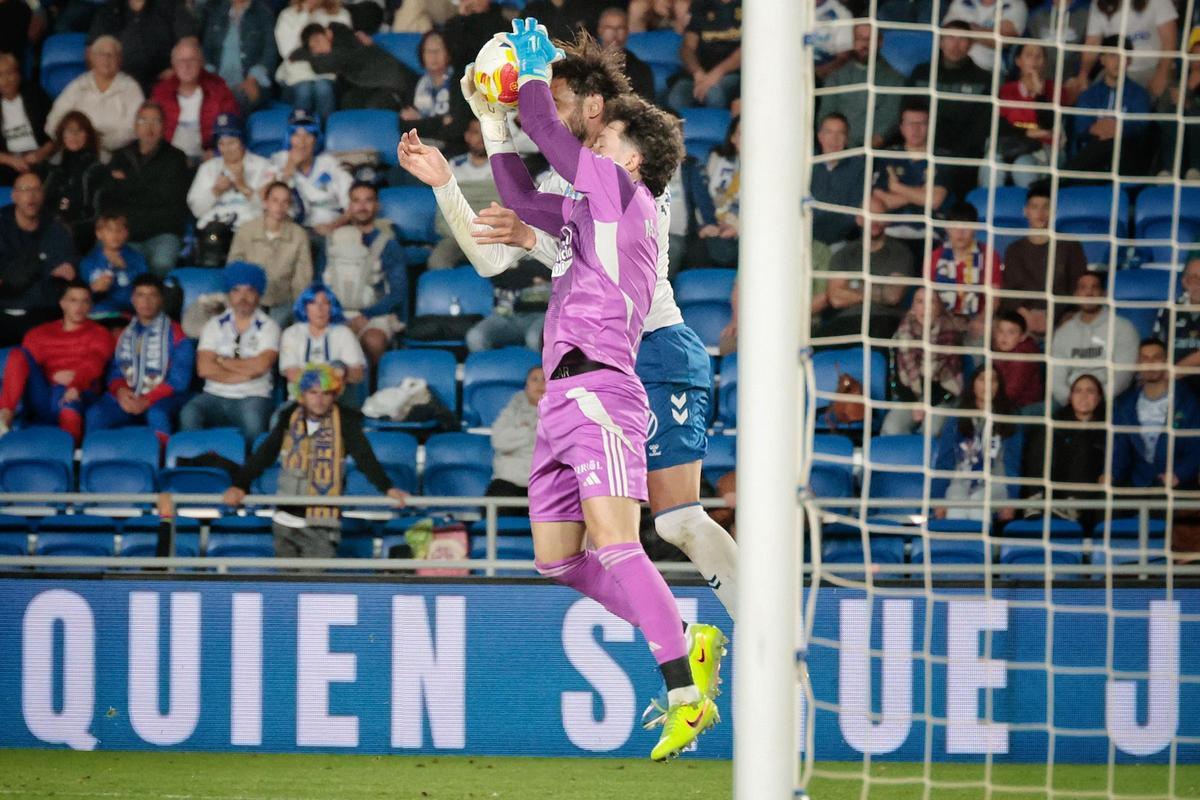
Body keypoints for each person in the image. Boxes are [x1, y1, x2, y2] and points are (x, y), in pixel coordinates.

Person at [399, 32, 740, 647]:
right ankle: (687, 638)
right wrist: (454, 175)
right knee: (573, 552)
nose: (546, 114)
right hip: (593, 368)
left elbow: (573, 228)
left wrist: (527, 77)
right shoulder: (568, 184)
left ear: (592, 109)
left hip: (652, 349)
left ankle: (762, 626)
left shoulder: (626, 177)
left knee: (680, 518)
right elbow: (499, 244)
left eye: (557, 102)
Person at [474, 18, 718, 759]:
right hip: (562, 399)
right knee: (556, 557)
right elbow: (519, 190)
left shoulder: (626, 196)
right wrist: (492, 126)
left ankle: (684, 694)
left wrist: (540, 72)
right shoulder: (588, 210)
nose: (594, 147)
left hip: (606, 389)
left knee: (615, 542)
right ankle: (682, 629)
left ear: (634, 161)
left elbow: (549, 135)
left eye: (606, 139)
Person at [224, 362, 408, 558]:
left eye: (326, 393)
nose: (319, 399)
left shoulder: (346, 421)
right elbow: (265, 453)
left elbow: (364, 457)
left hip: (322, 523)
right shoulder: (288, 417)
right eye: (313, 392)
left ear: (335, 395)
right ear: (302, 395)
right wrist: (240, 485)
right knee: (285, 586)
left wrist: (387, 488)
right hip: (284, 519)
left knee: (313, 584)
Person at [179, 261, 281, 442]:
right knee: (189, 412)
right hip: (214, 396)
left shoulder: (269, 327)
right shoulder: (213, 325)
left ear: (258, 294)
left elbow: (260, 366)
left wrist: (222, 361)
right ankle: (196, 465)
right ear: (229, 294)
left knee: (253, 421)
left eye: (249, 290)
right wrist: (244, 374)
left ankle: (248, 468)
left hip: (253, 397)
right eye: (236, 291)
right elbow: (204, 369)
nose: (243, 297)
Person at [85, 273, 194, 441]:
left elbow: (179, 381)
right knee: (96, 414)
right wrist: (120, 391)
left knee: (157, 414)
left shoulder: (178, 334)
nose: (146, 301)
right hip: (129, 396)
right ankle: (99, 463)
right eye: (141, 295)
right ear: (132, 299)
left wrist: (147, 400)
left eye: (152, 295)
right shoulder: (124, 333)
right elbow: (115, 371)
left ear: (161, 299)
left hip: (165, 398)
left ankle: (162, 463)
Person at [0, 281, 113, 440]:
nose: (79, 306)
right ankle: (5, 415)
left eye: (85, 301)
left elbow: (94, 363)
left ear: (91, 306)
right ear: (63, 304)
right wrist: (53, 377)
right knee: (18, 354)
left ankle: (68, 456)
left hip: (81, 393)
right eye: (73, 300)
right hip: (45, 395)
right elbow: (22, 367)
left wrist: (75, 385)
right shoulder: (39, 334)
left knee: (70, 405)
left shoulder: (100, 334)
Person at [322, 180, 407, 365]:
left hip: (375, 313)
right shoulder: (332, 241)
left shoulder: (388, 244)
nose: (362, 207)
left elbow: (398, 292)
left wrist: (366, 315)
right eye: (356, 201)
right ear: (349, 206)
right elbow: (321, 285)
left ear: (377, 205)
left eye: (368, 201)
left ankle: (375, 387)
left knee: (373, 340)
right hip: (337, 312)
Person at [103, 101, 190, 276]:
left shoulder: (176, 158)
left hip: (162, 232)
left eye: (156, 122)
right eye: (143, 121)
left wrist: (127, 183)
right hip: (126, 233)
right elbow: (110, 194)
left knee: (161, 263)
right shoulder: (120, 156)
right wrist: (147, 187)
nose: (149, 127)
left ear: (164, 126)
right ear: (135, 125)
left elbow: (168, 197)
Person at [907, 20, 991, 197]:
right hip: (921, 149)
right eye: (950, 38)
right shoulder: (921, 73)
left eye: (962, 39)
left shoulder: (983, 79)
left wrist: (953, 155)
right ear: (941, 41)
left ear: (971, 44)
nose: (955, 44)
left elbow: (981, 127)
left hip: (962, 157)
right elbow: (907, 113)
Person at [817, 196, 916, 340]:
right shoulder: (843, 254)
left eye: (879, 215)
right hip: (847, 320)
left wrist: (852, 285)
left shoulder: (901, 253)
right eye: (869, 215)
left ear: (887, 220)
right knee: (817, 347)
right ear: (859, 219)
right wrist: (877, 291)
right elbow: (836, 298)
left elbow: (892, 296)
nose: (874, 221)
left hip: (885, 319)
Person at [1000, 182, 1089, 338]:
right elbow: (1008, 293)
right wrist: (1025, 316)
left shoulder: (1070, 246)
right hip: (1022, 322)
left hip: (1062, 321)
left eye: (1046, 207)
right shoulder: (1014, 250)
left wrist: (1060, 317)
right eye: (1034, 207)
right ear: (1026, 211)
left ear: (1053, 211)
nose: (1040, 213)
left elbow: (1079, 286)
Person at [931, 366, 1020, 521]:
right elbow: (944, 463)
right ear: (973, 384)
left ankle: (983, 545)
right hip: (960, 482)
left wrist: (1012, 499)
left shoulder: (1009, 419)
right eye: (982, 380)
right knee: (956, 510)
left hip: (996, 484)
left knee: (978, 503)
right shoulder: (956, 420)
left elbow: (1013, 464)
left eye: (992, 380)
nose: (987, 385)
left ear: (999, 386)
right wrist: (937, 499)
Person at [1021, 373, 1108, 532]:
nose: (1083, 396)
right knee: (1042, 437)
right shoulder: (1056, 423)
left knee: (1084, 442)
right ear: (1070, 397)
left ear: (1099, 397)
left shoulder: (1108, 426)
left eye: (1090, 391)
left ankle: (1071, 505)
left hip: (1088, 490)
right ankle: (1035, 498)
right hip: (1055, 482)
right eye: (1078, 391)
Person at [1111, 338, 1200, 490]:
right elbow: (1119, 450)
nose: (1150, 363)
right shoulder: (1125, 405)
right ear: (1138, 364)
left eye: (1156, 357)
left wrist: (1179, 475)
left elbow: (1196, 448)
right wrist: (1111, 475)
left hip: (1178, 485)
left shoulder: (1187, 401)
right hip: (1139, 485)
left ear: (1166, 361)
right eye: (1145, 358)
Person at [0, 172, 78, 346]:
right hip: (4, 310)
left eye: (36, 190)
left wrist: (69, 268)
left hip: (42, 312)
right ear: (14, 196)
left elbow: (67, 267)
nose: (31, 196)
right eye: (25, 190)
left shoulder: (56, 228)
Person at [227, 180, 314, 328]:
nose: (279, 207)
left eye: (285, 202)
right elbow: (234, 268)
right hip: (248, 298)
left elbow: (302, 277)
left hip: (282, 301)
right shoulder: (246, 230)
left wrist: (296, 307)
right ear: (265, 202)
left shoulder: (299, 235)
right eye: (275, 200)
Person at [1066, 35, 1153, 179]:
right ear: (1102, 59)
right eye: (1113, 56)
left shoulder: (1139, 94)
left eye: (1123, 56)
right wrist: (1099, 129)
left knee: (1113, 143)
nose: (1118, 62)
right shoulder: (1089, 95)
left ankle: (1059, 180)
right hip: (1093, 156)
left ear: (1129, 61)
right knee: (1101, 144)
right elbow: (1081, 128)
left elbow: (1141, 127)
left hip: (1126, 158)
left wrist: (1117, 129)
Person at [1049, 270, 1139, 407]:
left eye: (1094, 287)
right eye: (1083, 288)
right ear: (1075, 295)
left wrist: (1095, 400)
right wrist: (1072, 400)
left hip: (1110, 400)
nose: (1089, 293)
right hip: (1070, 401)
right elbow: (1055, 377)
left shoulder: (1123, 327)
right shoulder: (1063, 332)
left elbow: (1123, 376)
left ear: (1104, 294)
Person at [880, 287, 963, 435]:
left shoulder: (951, 333)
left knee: (931, 431)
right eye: (919, 302)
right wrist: (915, 402)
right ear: (913, 306)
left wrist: (926, 404)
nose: (925, 308)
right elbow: (895, 379)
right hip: (909, 398)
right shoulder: (901, 333)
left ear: (939, 306)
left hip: (942, 398)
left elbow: (949, 383)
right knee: (891, 429)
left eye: (931, 302)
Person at [44, 35, 145, 157]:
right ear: (92, 57)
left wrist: (96, 142)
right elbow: (53, 121)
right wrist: (72, 139)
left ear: (119, 59)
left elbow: (134, 127)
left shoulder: (130, 87)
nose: (106, 59)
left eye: (111, 55)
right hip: (76, 150)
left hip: (118, 153)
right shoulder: (78, 85)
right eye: (101, 54)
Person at [871, 97, 949, 248]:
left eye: (921, 123)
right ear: (901, 128)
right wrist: (922, 193)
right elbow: (881, 202)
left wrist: (897, 188)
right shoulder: (888, 156)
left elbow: (934, 201)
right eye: (910, 123)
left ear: (930, 126)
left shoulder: (942, 158)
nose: (915, 129)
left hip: (930, 235)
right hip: (890, 234)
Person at [149, 39, 240, 162]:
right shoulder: (161, 92)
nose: (186, 66)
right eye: (181, 61)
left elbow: (233, 130)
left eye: (192, 60)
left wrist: (217, 152)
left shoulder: (218, 90)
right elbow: (151, 130)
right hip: (168, 160)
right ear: (173, 64)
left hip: (206, 160)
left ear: (201, 62)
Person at [291, 21, 415, 110]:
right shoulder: (342, 42)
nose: (319, 48)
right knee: (348, 102)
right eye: (313, 48)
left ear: (328, 33)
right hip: (374, 85)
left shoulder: (346, 41)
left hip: (397, 86)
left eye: (318, 41)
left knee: (375, 106)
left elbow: (322, 65)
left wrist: (303, 55)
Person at [266, 109, 353, 236]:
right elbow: (266, 200)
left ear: (316, 139)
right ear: (289, 138)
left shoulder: (330, 163)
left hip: (330, 229)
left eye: (308, 135)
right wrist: (289, 169)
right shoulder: (277, 160)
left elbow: (352, 204)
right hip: (289, 230)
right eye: (296, 134)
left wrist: (333, 227)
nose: (302, 142)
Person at [818, 24, 905, 150]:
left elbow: (889, 122)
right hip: (837, 149)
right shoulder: (836, 77)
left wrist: (863, 151)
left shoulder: (895, 79)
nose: (865, 44)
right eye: (860, 38)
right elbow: (826, 116)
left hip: (873, 152)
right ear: (853, 42)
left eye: (870, 38)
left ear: (880, 42)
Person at [427, 119, 499, 268]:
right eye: (475, 133)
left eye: (485, 133)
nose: (480, 138)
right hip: (458, 235)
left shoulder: (503, 167)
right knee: (437, 261)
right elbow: (444, 210)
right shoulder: (452, 166)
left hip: (494, 235)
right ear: (467, 136)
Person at [928, 202, 1003, 345]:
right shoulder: (935, 256)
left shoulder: (988, 255)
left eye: (966, 226)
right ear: (946, 228)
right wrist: (949, 321)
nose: (960, 232)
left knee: (982, 335)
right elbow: (931, 296)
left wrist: (980, 320)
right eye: (955, 226)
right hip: (943, 318)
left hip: (978, 319)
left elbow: (994, 297)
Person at [991, 43, 1062, 188]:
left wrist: (1040, 95)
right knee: (992, 165)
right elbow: (1000, 126)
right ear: (1018, 61)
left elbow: (1048, 125)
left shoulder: (1055, 89)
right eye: (1028, 55)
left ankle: (1031, 209)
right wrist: (1029, 132)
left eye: (1039, 56)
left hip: (1043, 149)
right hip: (1011, 144)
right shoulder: (1006, 90)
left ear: (1045, 62)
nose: (1034, 61)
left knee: (1022, 165)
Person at [187, 113, 272, 231]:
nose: (227, 149)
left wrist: (244, 187)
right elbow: (197, 210)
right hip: (215, 232)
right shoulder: (207, 169)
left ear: (242, 141)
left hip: (252, 232)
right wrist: (216, 191)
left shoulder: (263, 166)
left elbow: (272, 209)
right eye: (221, 144)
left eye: (232, 143)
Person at [278, 283, 366, 395]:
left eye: (325, 303)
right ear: (305, 307)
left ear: (332, 307)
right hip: (302, 400)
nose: (319, 309)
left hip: (337, 398)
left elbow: (358, 374)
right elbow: (292, 374)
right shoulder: (291, 334)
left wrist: (344, 370)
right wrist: (329, 378)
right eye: (313, 303)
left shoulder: (344, 333)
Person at [1078, 0, 1178, 99]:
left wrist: (1162, 74)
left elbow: (1169, 41)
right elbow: (1092, 43)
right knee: (1089, 98)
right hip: (1114, 70)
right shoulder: (1098, 3)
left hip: (1152, 69)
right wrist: (1083, 75)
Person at [88, 0, 194, 93]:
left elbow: (190, 42)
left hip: (165, 84)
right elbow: (91, 52)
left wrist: (176, 70)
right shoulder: (108, 10)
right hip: (120, 85)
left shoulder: (171, 5)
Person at [41, 111, 108, 253]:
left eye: (79, 131)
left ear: (87, 135)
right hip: (50, 228)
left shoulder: (97, 169)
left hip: (81, 234)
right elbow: (44, 203)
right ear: (62, 134)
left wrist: (71, 227)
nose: (74, 136)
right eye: (69, 131)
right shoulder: (50, 167)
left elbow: (97, 214)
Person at [274, 0, 350, 121]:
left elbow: (340, 52)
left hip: (330, 74)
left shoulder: (340, 14)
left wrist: (304, 54)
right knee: (304, 89)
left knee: (323, 88)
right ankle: (301, 133)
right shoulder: (288, 15)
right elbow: (287, 51)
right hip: (295, 76)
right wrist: (304, 14)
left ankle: (325, 135)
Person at [200, 0, 277, 114]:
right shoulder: (217, 11)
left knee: (237, 100)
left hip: (250, 80)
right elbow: (206, 49)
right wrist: (210, 78)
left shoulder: (263, 12)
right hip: (218, 80)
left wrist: (253, 78)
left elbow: (270, 50)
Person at [399, 30, 471, 153]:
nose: (433, 56)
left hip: (450, 151)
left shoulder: (460, 82)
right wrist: (441, 121)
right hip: (417, 150)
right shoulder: (414, 83)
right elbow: (405, 126)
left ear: (448, 53)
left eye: (438, 50)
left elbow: (456, 129)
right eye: (428, 51)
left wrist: (420, 120)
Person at [485, 365, 544, 512]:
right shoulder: (511, 410)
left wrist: (515, 444)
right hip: (508, 481)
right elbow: (498, 441)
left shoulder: (563, 412)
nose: (540, 384)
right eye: (534, 379)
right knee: (494, 504)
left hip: (544, 482)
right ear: (526, 386)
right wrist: (531, 433)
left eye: (545, 379)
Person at [668, 0, 740, 110]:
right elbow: (687, 47)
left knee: (713, 94)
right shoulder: (700, 4)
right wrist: (697, 73)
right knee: (676, 98)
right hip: (699, 74)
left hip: (732, 73)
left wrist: (716, 74)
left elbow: (748, 49)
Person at [809, 112, 864, 248]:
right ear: (820, 136)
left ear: (847, 138)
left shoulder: (858, 166)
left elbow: (854, 211)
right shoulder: (806, 163)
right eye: (829, 132)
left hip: (842, 242)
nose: (834, 139)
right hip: (805, 240)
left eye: (840, 133)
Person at [82, 209, 148, 318]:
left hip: (132, 311)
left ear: (127, 233)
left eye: (120, 230)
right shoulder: (89, 261)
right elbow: (80, 294)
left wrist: (125, 268)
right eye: (109, 230)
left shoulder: (136, 258)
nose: (115, 234)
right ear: (99, 234)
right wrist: (93, 289)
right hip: (101, 311)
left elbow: (145, 286)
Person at [0, 53, 53, 186]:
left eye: (10, 72)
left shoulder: (35, 94)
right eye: (1, 75)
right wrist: (11, 160)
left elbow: (57, 132)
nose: (7, 79)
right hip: (7, 164)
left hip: (39, 159)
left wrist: (41, 153)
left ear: (18, 74)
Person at [1154, 254, 1200, 398]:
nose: (1198, 282)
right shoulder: (1169, 310)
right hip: (1172, 385)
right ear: (1184, 282)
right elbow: (1156, 348)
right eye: (1193, 277)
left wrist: (1172, 373)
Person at [699, 113, 741, 263]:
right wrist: (709, 224)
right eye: (742, 134)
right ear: (733, 138)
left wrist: (737, 227)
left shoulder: (769, 171)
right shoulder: (717, 159)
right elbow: (701, 195)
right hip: (713, 223)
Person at [942, 0, 1028, 72]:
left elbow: (1001, 40)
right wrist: (984, 33)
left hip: (991, 71)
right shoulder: (961, 1)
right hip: (954, 65)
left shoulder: (1015, 4)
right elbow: (947, 33)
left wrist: (966, 29)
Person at [596, 6, 654, 102]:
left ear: (627, 31)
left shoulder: (641, 69)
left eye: (620, 28)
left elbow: (645, 106)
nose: (615, 33)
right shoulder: (586, 64)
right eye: (609, 28)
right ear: (600, 30)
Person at [992, 309, 1043, 411]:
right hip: (1006, 402)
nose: (1004, 337)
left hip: (1024, 407)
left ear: (1022, 337)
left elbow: (1011, 392)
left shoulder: (1022, 357)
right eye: (1001, 331)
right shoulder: (999, 350)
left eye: (1011, 332)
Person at [440, 0, 509, 73]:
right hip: (463, 76)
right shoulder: (453, 25)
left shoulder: (502, 24)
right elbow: (455, 54)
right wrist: (462, 18)